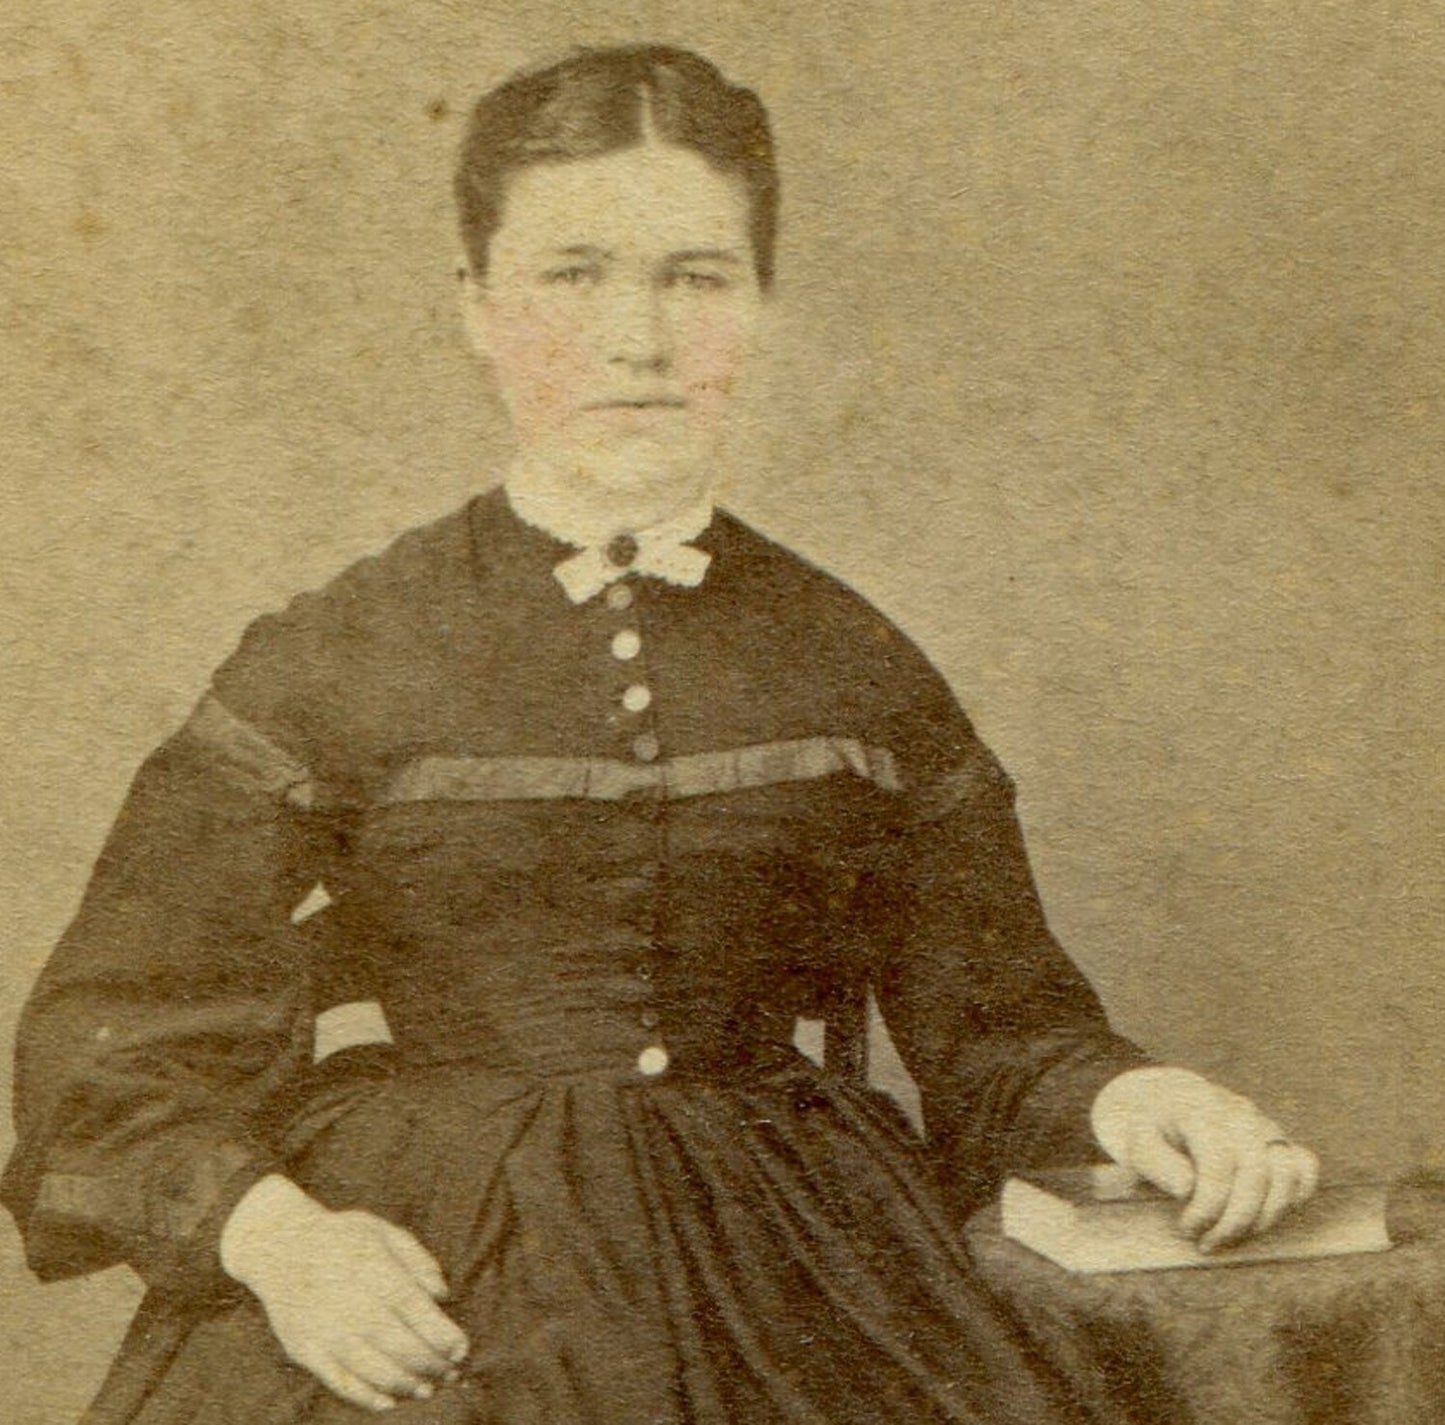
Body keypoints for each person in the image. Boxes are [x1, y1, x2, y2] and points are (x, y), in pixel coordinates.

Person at [3, 44, 1320, 1425]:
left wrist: (1147, 1099)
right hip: (430, 1265)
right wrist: (285, 1242)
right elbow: (120, 1044)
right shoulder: (336, 655)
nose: (638, 339)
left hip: (806, 1264)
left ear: (759, 308)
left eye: (696, 276)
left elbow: (994, 1024)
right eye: (572, 275)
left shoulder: (854, 662)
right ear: (476, 308)